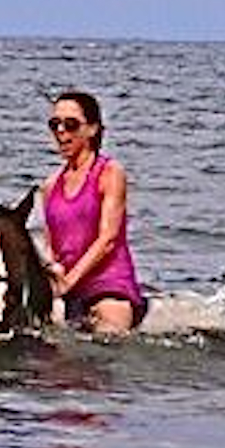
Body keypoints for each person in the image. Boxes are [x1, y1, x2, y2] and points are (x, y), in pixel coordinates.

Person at [40, 91, 146, 334]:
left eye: (71, 124)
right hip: (69, 289)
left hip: (108, 285)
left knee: (108, 340)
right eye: (54, 124)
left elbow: (108, 239)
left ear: (92, 129)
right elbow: (52, 248)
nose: (61, 131)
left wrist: (68, 282)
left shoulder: (109, 173)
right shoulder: (49, 186)